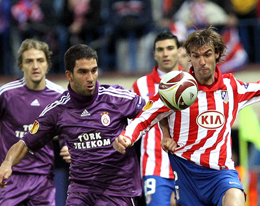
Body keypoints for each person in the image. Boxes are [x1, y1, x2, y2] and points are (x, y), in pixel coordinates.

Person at [112, 27, 256, 206]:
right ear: (189, 57)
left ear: (217, 54)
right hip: (187, 176)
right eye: (196, 56)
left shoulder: (231, 87)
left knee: (235, 198)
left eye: (207, 54)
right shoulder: (176, 88)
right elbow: (144, 117)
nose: (202, 61)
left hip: (221, 173)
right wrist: (127, 137)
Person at [0, 44, 146, 205]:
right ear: (69, 75)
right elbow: (26, 142)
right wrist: (7, 163)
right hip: (81, 191)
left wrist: (131, 134)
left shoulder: (116, 97)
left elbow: (152, 112)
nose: (90, 78)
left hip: (118, 190)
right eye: (83, 72)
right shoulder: (57, 110)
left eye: (94, 70)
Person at [0, 39, 70, 205]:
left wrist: (67, 145)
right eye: (29, 61)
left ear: (48, 64)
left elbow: (67, 129)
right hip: (10, 177)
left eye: (40, 60)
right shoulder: (6, 94)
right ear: (21, 65)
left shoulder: (60, 97)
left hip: (43, 179)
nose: (35, 66)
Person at [132, 31, 181, 206]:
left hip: (190, 167)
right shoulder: (140, 85)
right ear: (154, 54)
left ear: (179, 50)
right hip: (154, 167)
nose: (165, 53)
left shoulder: (192, 81)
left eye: (170, 48)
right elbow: (133, 125)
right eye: (160, 50)